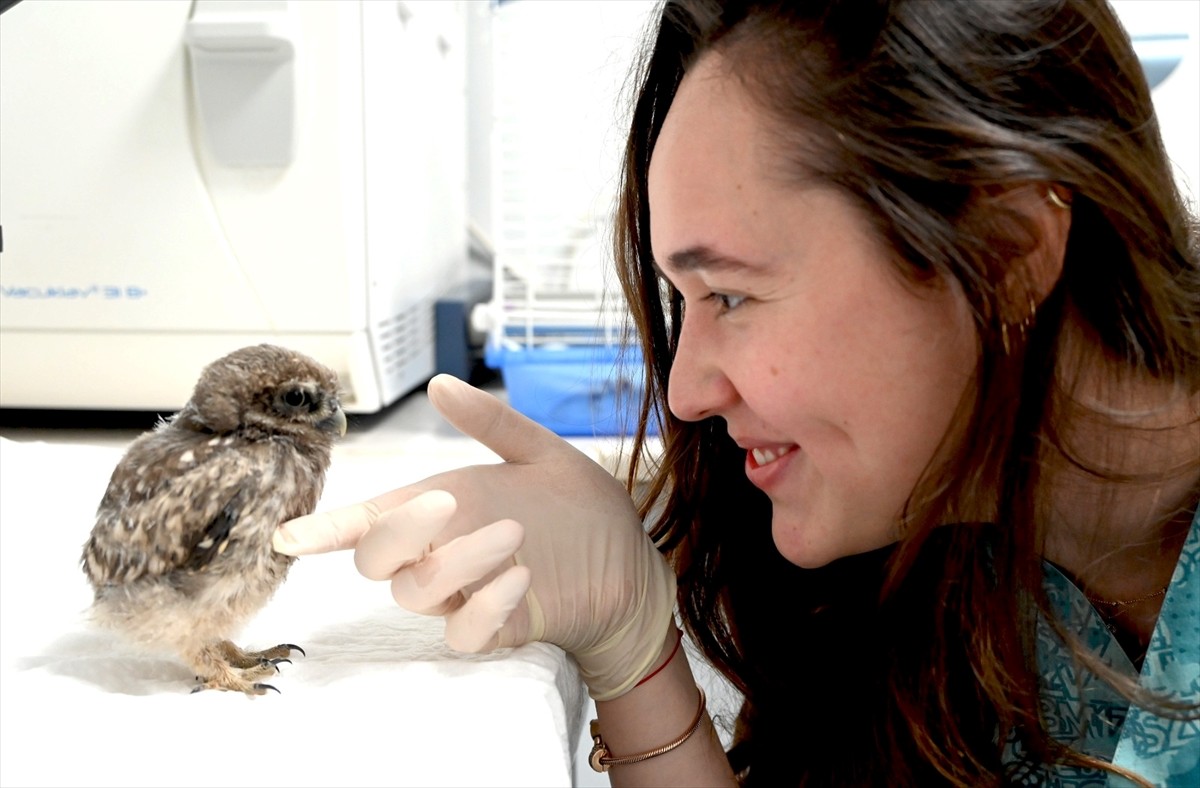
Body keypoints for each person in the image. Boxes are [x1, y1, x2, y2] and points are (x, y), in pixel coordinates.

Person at [273, 0, 1200, 784]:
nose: (684, 393)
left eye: (731, 295)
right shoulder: (921, 557)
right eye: (684, 301)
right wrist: (631, 647)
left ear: (1003, 252)